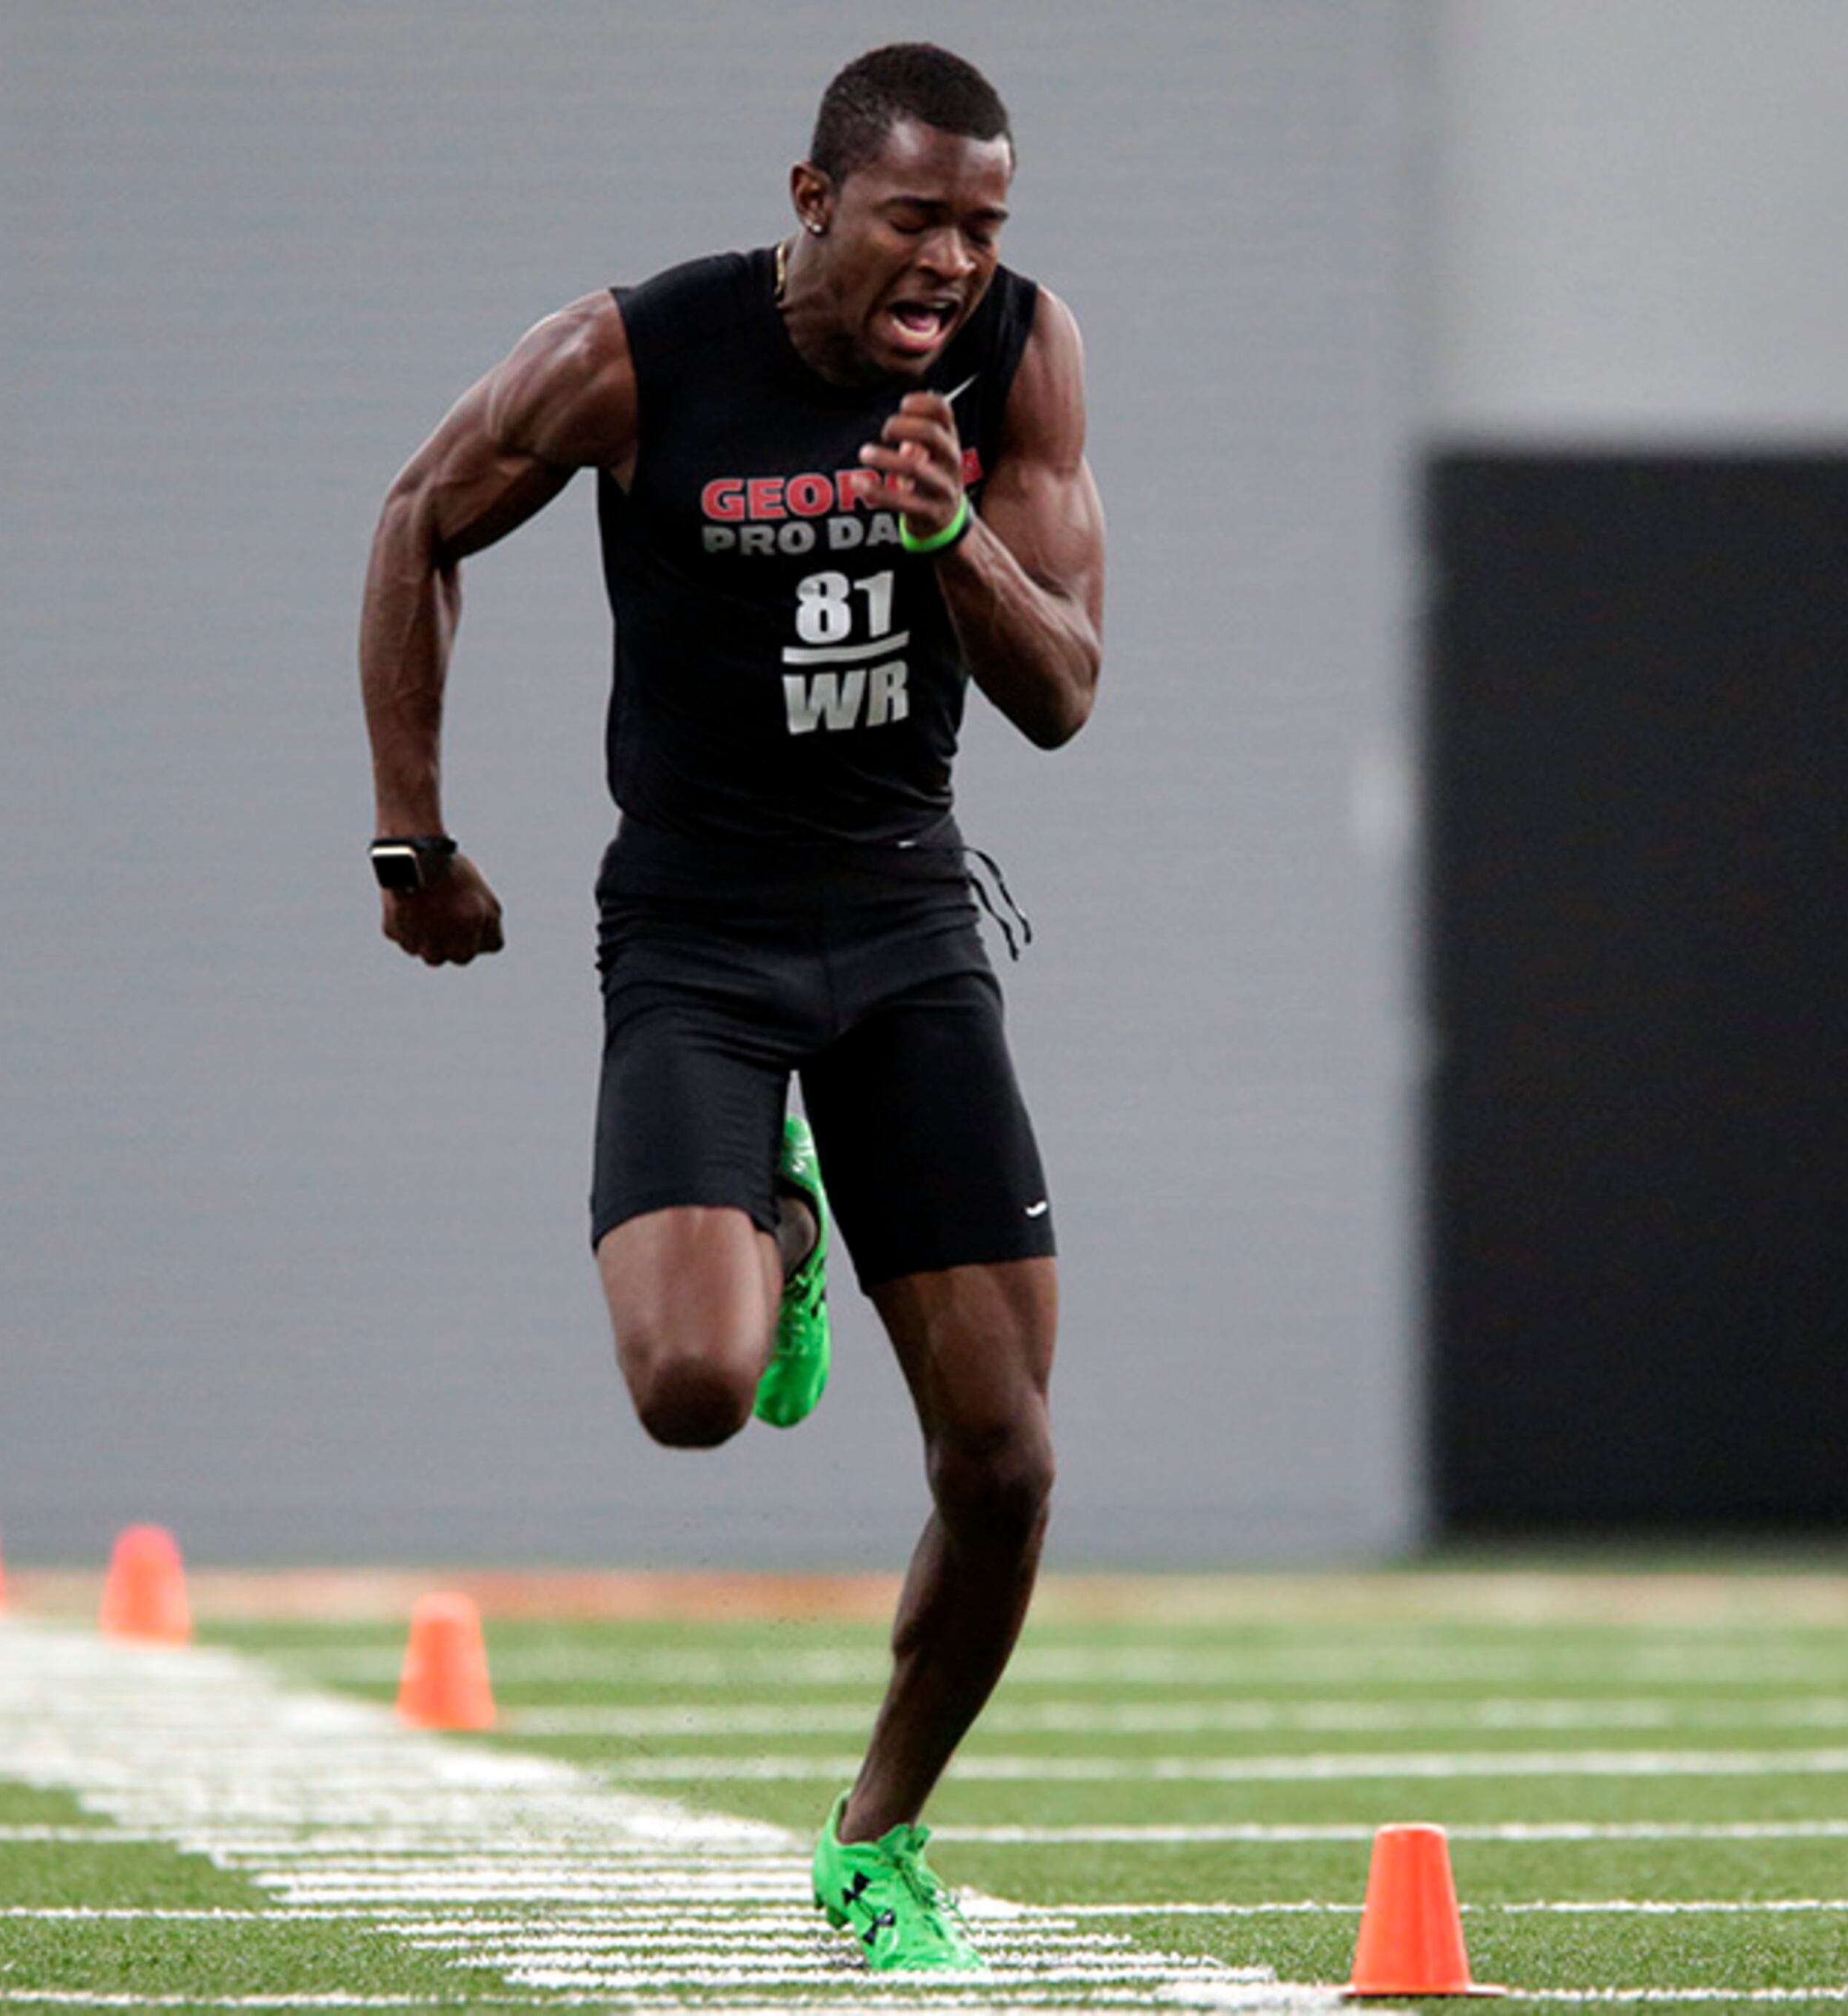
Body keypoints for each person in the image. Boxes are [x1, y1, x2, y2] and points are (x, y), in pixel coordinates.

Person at [357, 43, 1103, 1971]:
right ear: (813, 199)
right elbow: (416, 523)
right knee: (694, 1393)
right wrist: (409, 841)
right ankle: (777, 1207)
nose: (950, 260)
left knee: (1007, 1464)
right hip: (697, 932)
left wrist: (951, 538)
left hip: (908, 921)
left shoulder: (1020, 357)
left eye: (981, 226)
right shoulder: (642, 351)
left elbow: (1067, 690)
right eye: (913, 217)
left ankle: (880, 1834)